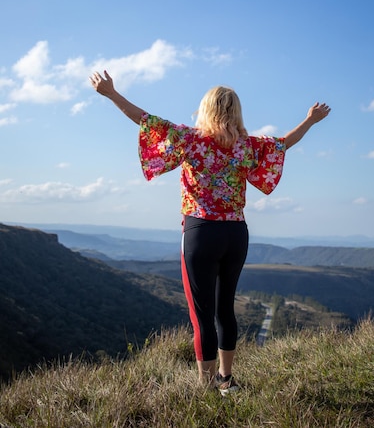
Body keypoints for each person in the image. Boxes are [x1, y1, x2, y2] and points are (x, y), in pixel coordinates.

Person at [90, 70, 331, 394]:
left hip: (201, 232)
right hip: (236, 234)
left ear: (206, 110)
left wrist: (111, 94)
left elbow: (144, 120)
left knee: (201, 312)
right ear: (236, 112)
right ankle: (225, 379)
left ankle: (205, 385)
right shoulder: (247, 147)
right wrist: (310, 121)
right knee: (225, 308)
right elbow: (284, 143)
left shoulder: (191, 139)